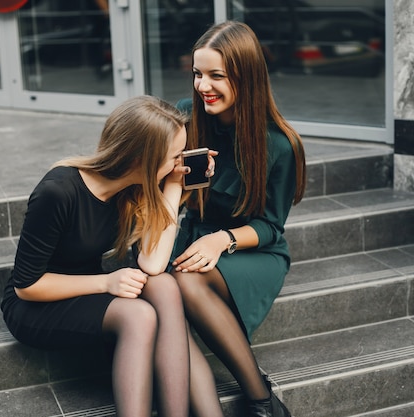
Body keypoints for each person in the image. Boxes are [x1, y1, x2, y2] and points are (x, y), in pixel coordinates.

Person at [1, 95, 212, 417]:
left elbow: (153, 264)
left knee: (164, 284)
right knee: (139, 316)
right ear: (142, 157)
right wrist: (105, 281)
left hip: (87, 288)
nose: (179, 163)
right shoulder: (58, 192)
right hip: (36, 304)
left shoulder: (132, 189)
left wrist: (172, 185)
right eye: (173, 157)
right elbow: (26, 285)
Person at [171, 21, 307, 417]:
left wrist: (220, 241)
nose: (203, 86)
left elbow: (269, 227)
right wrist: (176, 182)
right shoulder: (185, 118)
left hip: (250, 250)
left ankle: (260, 400)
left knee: (186, 281)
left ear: (246, 77)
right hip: (190, 236)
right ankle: (258, 402)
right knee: (176, 289)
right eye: (198, 74)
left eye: (217, 76)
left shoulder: (280, 144)